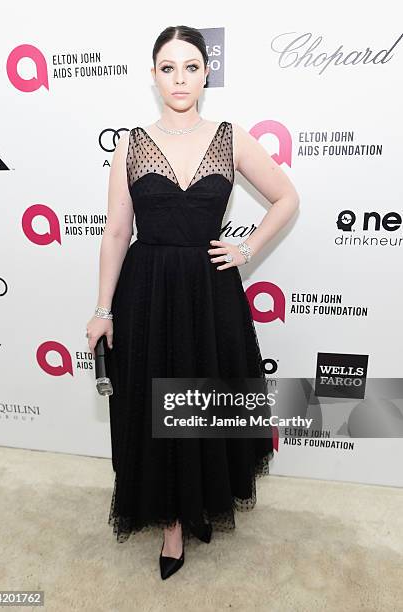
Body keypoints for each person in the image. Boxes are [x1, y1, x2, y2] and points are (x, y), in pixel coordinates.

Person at [86, 24, 300, 580]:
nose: (179, 78)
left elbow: (286, 197)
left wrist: (247, 248)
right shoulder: (130, 145)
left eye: (190, 67)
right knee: (154, 406)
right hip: (147, 294)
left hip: (210, 294)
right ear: (153, 77)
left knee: (205, 397)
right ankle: (171, 526)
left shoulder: (231, 138)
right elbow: (115, 233)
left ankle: (200, 502)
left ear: (207, 73)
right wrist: (103, 309)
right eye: (167, 68)